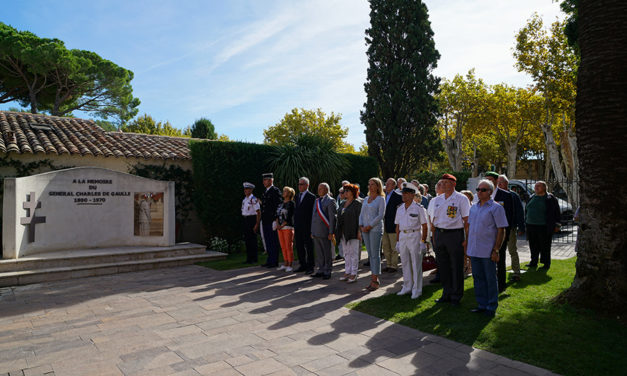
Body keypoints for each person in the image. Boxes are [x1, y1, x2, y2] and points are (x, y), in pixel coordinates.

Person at [467, 179, 508, 317]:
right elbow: (470, 228)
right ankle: (481, 304)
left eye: (483, 190)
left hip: (488, 250)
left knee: (490, 279)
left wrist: (496, 250)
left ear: (490, 192)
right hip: (474, 249)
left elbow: (501, 230)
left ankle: (491, 306)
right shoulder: (473, 207)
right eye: (478, 189)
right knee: (478, 278)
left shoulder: (496, 208)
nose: (479, 192)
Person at [429, 173, 470, 305]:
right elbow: (433, 220)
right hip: (440, 234)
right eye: (442, 182)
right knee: (443, 266)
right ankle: (446, 293)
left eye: (447, 182)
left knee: (456, 266)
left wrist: (466, 239)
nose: (444, 185)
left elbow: (467, 220)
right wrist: (435, 237)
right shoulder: (437, 200)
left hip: (454, 235)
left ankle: (456, 295)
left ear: (453, 184)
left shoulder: (461, 199)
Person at [395, 183, 429, 299]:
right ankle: (407, 286)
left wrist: (423, 241)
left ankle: (417, 289)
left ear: (412, 195)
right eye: (402, 193)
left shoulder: (419, 208)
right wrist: (397, 241)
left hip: (415, 235)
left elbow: (425, 226)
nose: (403, 196)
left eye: (405, 193)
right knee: (404, 262)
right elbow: (398, 226)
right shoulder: (399, 208)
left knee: (416, 263)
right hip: (403, 236)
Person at [484, 171, 514, 292]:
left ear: (496, 181)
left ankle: (501, 285)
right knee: (486, 259)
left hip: (500, 234)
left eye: (490, 179)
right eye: (486, 179)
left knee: (500, 260)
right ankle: (488, 283)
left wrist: (506, 235)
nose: (488, 182)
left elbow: (509, 216)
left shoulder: (506, 195)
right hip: (486, 234)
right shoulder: (482, 194)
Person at [525, 181, 561, 270]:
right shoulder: (532, 197)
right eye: (535, 186)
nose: (536, 188)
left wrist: (557, 225)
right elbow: (527, 210)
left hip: (543, 226)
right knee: (533, 245)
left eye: (539, 186)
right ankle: (533, 262)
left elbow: (557, 212)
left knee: (544, 246)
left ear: (544, 188)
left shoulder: (550, 198)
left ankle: (546, 263)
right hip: (531, 225)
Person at [359, 177, 386, 291]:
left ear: (378, 186)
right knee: (370, 255)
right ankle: (373, 278)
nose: (370, 186)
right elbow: (361, 214)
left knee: (375, 255)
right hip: (365, 229)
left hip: (374, 229)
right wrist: (361, 226)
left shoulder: (381, 199)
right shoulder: (366, 198)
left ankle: (375, 280)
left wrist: (369, 226)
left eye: (372, 184)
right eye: (369, 184)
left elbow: (380, 215)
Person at [497, 175, 525, 281]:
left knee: (512, 250)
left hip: (510, 228)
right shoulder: (494, 195)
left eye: (501, 182)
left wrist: (521, 227)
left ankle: (516, 272)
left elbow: (519, 212)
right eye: (498, 182)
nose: (499, 184)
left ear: (507, 183)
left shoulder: (513, 195)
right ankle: (498, 271)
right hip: (497, 229)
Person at [335, 184, 363, 283]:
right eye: (344, 190)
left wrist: (359, 232)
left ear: (353, 192)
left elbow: (360, 219)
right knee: (346, 253)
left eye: (347, 190)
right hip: (343, 232)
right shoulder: (342, 203)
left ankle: (354, 273)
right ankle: (347, 271)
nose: (345, 192)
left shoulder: (357, 203)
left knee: (354, 253)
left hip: (353, 231)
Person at [311, 183, 338, 279]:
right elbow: (313, 217)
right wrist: (312, 231)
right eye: (318, 188)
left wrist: (331, 232)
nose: (319, 190)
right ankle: (321, 269)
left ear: (326, 189)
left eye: (321, 188)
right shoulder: (317, 200)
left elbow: (332, 218)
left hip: (325, 232)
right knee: (319, 253)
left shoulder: (330, 201)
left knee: (327, 252)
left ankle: (327, 271)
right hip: (316, 231)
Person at [294, 177, 316, 274]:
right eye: (299, 184)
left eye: (301, 184)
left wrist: (312, 228)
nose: (299, 186)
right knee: (299, 246)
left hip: (307, 226)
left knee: (309, 246)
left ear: (307, 185)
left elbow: (313, 213)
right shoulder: (297, 196)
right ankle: (302, 264)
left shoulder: (312, 197)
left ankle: (310, 266)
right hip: (298, 226)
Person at [260, 173, 282, 268]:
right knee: (268, 240)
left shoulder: (275, 191)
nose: (264, 182)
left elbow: (278, 206)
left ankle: (274, 261)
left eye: (266, 180)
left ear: (271, 180)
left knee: (273, 241)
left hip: (272, 220)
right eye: (264, 180)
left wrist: (275, 219)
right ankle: (270, 260)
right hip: (265, 220)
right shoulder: (266, 192)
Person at [382, 178, 403, 272]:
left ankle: (394, 266)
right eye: (386, 183)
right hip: (384, 225)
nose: (387, 185)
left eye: (389, 184)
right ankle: (388, 264)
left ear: (394, 186)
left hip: (393, 225)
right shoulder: (383, 196)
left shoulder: (398, 196)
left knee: (393, 247)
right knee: (385, 246)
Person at [427, 180, 444, 283]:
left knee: (443, 255)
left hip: (442, 231)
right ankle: (439, 273)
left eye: (440, 185)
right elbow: (429, 215)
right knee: (437, 254)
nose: (437, 187)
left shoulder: (446, 199)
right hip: (433, 232)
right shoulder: (433, 200)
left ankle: (443, 274)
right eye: (437, 185)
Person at [276, 186, 296, 272]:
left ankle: (290, 264)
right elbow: (277, 215)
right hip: (280, 228)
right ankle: (285, 262)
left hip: (288, 227)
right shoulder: (280, 204)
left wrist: (282, 225)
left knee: (288, 246)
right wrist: (277, 224)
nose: (283, 192)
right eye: (283, 191)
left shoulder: (291, 204)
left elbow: (290, 217)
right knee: (283, 246)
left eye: (285, 191)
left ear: (290, 194)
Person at [241, 182, 261, 264]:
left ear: (251, 190)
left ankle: (254, 258)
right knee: (247, 240)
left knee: (252, 240)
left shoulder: (253, 199)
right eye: (245, 189)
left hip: (252, 219)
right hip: (246, 219)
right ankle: (249, 258)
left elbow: (258, 212)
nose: (245, 190)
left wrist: (257, 224)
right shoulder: (245, 199)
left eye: (247, 189)